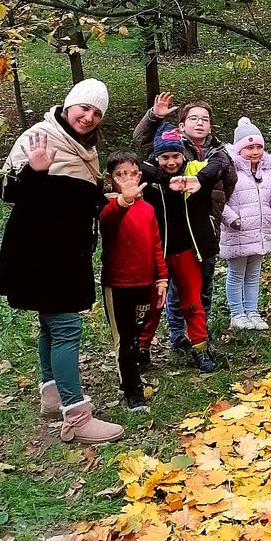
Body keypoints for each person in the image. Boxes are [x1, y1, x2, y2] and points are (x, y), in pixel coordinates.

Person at [0, 77, 124, 444]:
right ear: (69, 105)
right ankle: (76, 417)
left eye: (97, 112)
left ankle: (52, 395)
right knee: (66, 329)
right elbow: (8, 191)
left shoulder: (86, 149)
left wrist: (118, 199)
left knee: (50, 328)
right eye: (84, 108)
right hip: (42, 254)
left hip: (68, 251)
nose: (89, 117)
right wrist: (35, 171)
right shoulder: (40, 137)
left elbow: (79, 199)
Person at [134, 93, 236, 351]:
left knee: (202, 284)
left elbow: (226, 172)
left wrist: (215, 199)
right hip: (169, 236)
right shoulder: (170, 145)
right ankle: (176, 335)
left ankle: (200, 336)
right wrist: (155, 116)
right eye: (194, 118)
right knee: (169, 291)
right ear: (182, 125)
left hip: (203, 227)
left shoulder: (217, 151)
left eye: (205, 119)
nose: (200, 123)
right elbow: (139, 149)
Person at [139, 126, 222, 371]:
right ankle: (142, 349)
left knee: (192, 301)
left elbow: (220, 162)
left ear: (183, 154)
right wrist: (166, 180)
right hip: (158, 252)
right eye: (165, 157)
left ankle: (199, 347)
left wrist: (198, 180)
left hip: (188, 249)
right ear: (156, 157)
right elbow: (132, 164)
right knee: (153, 303)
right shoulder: (149, 178)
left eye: (175, 156)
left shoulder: (194, 170)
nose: (171, 162)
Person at [100, 152, 168, 410]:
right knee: (124, 338)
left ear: (140, 176)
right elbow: (107, 223)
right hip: (118, 285)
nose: (127, 179)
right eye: (120, 175)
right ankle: (131, 389)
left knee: (138, 334)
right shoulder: (109, 206)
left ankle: (130, 373)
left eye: (132, 173)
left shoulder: (148, 209)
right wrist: (123, 201)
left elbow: (155, 245)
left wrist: (161, 277)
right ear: (111, 179)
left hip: (144, 283)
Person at [220, 119, 271, 331]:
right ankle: (237, 314)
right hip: (238, 232)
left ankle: (252, 311)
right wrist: (233, 219)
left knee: (253, 275)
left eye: (259, 147)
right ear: (239, 149)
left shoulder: (267, 173)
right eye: (250, 147)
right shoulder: (230, 172)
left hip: (259, 233)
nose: (255, 152)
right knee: (236, 275)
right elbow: (219, 201)